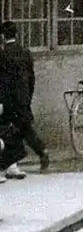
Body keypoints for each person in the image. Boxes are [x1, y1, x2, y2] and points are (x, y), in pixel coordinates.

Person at [0, 21, 42, 178]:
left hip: (6, 99)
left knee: (7, 132)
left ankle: (10, 165)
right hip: (22, 98)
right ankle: (12, 165)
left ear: (3, 36)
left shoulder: (3, 54)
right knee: (15, 131)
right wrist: (27, 97)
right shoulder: (25, 52)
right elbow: (31, 77)